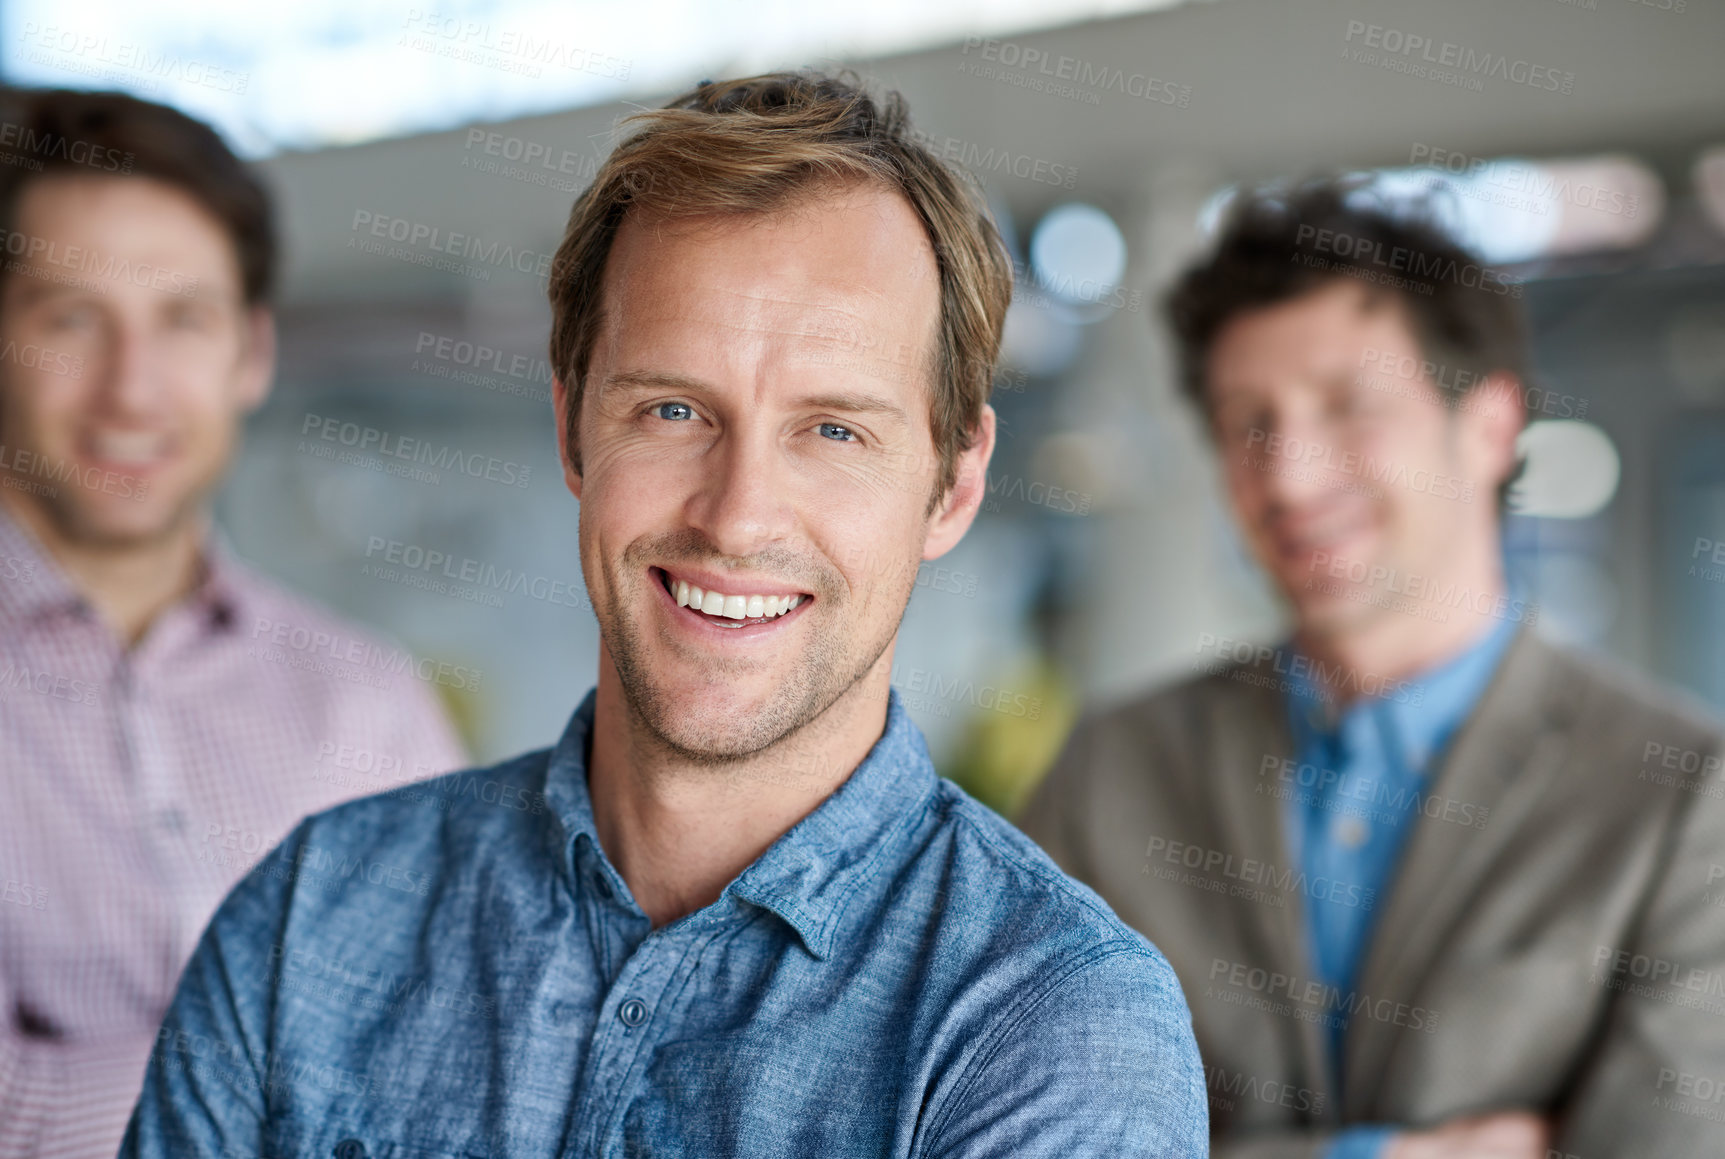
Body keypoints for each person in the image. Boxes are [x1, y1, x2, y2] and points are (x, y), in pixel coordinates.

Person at [118, 72, 1208, 1157]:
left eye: (834, 431)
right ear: (572, 428)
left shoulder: (1050, 1026)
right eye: (673, 409)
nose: (736, 517)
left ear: (954, 485)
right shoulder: (311, 919)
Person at [1019, 179, 1725, 1158]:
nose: (1289, 473)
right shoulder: (1112, 772)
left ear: (1488, 427)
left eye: (1351, 406)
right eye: (1245, 421)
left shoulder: (1686, 799)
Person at [0, 89, 467, 1159]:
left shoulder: (370, 706)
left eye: (183, 319)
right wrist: (322, 1056)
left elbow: (469, 1053)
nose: (132, 392)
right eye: (70, 318)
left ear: (250, 353)